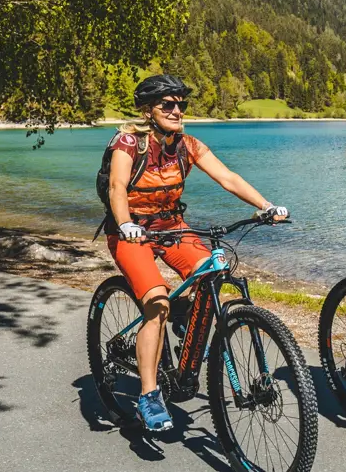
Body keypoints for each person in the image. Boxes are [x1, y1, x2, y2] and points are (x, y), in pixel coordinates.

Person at [105, 74, 288, 432]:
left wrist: (265, 205)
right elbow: (116, 187)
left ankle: (185, 316)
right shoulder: (129, 143)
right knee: (156, 303)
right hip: (131, 232)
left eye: (181, 105)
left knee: (212, 270)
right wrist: (126, 222)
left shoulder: (187, 144)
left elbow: (228, 177)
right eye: (168, 105)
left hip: (172, 227)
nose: (177, 111)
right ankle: (149, 395)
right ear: (147, 110)